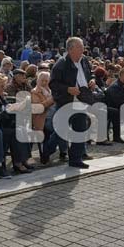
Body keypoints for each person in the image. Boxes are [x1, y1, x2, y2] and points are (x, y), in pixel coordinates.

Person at [45, 36, 94, 168]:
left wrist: (92, 80)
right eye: (80, 47)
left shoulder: (84, 61)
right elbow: (53, 84)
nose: (83, 49)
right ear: (71, 49)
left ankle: (75, 159)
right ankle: (47, 150)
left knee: (80, 130)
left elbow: (90, 74)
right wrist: (67, 89)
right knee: (61, 131)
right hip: (66, 101)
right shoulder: (61, 64)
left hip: (82, 100)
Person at [0, 73, 32, 173]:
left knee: (22, 128)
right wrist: (9, 110)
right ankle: (17, 163)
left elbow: (6, 108)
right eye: (1, 86)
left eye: (4, 85)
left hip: (4, 124)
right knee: (16, 132)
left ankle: (23, 160)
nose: (4, 88)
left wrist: (15, 107)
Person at [105, 67, 124, 143]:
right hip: (114, 107)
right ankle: (117, 136)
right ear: (123, 76)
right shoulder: (115, 86)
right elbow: (118, 101)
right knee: (119, 113)